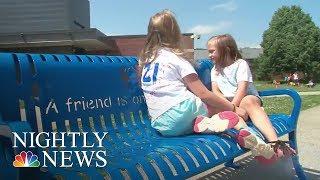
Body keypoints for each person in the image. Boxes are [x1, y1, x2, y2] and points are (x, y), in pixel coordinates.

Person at [139, 10, 275, 164]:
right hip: (182, 111)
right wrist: (234, 109)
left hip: (163, 126)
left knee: (209, 113)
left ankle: (206, 124)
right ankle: (258, 144)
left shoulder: (147, 62)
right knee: (232, 115)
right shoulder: (176, 60)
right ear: (175, 33)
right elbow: (203, 94)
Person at [207, 34, 296, 164]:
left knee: (248, 101)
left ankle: (274, 143)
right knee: (210, 105)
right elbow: (216, 91)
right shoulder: (215, 69)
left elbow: (242, 90)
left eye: (212, 51)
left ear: (225, 49)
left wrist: (233, 109)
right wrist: (229, 108)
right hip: (229, 106)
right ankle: (256, 142)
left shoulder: (240, 64)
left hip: (245, 100)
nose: (209, 55)